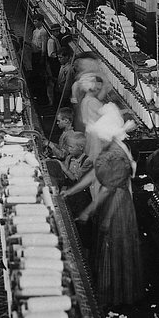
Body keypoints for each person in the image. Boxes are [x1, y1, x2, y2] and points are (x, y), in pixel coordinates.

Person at [61, 104, 143, 307]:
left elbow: (107, 189)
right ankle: (109, 291)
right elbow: (94, 174)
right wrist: (71, 191)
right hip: (111, 199)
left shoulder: (117, 154)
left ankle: (116, 297)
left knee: (114, 242)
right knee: (106, 240)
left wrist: (88, 212)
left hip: (118, 204)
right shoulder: (109, 148)